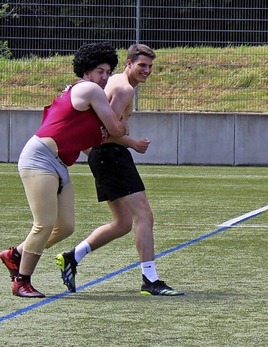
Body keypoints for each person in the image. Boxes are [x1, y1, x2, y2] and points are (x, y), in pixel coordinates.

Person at [55, 44, 184, 296]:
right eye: (141, 65)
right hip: (111, 157)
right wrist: (132, 143)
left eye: (149, 66)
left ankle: (72, 257)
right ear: (128, 63)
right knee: (144, 216)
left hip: (105, 157)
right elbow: (104, 133)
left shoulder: (116, 82)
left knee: (123, 223)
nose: (146, 71)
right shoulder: (124, 89)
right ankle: (150, 279)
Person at [0, 42, 126, 298]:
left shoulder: (85, 95)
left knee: (65, 226)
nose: (105, 77)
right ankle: (21, 281)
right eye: (100, 71)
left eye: (108, 72)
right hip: (41, 158)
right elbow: (116, 129)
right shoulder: (90, 89)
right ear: (87, 72)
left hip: (58, 163)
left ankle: (16, 255)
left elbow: (84, 138)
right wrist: (125, 120)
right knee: (44, 223)